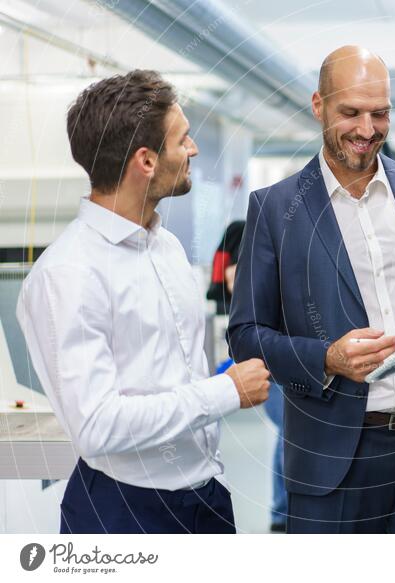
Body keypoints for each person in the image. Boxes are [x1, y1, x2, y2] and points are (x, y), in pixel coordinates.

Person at [228, 46, 395, 534]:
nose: (367, 129)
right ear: (318, 106)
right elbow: (247, 334)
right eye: (350, 113)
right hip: (332, 464)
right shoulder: (275, 210)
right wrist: (326, 358)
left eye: (381, 114)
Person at [16, 70, 270, 534]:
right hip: (125, 510)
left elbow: (176, 375)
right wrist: (224, 392)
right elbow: (97, 426)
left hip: (207, 494)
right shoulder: (66, 274)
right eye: (183, 140)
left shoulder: (167, 247)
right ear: (147, 161)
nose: (193, 150)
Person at [208, 221, 288, 533]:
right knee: (290, 431)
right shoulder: (244, 233)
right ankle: (283, 513)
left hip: (285, 347)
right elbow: (228, 282)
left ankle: (285, 511)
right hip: (269, 349)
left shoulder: (276, 233)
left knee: (290, 432)